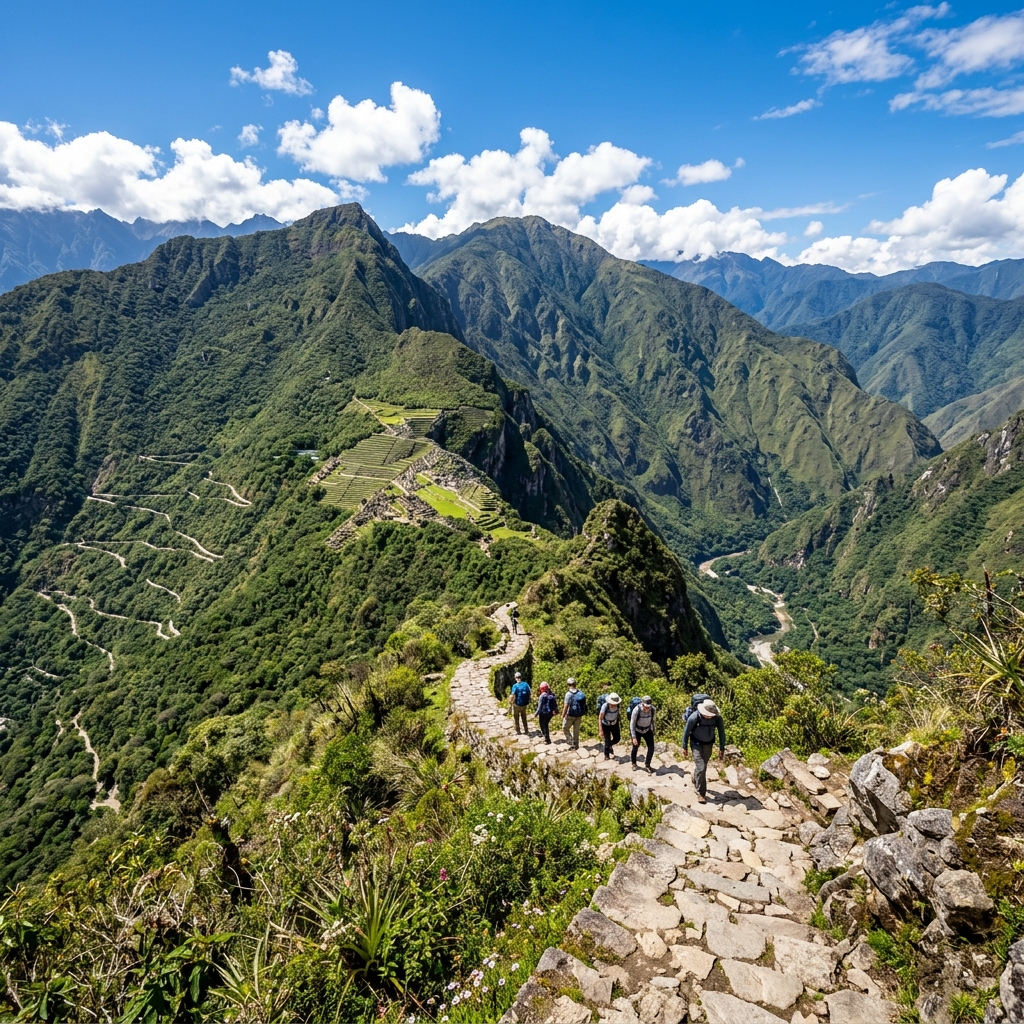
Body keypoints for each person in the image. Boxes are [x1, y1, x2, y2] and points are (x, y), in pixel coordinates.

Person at [682, 698, 726, 804]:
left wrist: (721, 748)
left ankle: (696, 778)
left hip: (708, 744)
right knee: (701, 766)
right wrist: (684, 747)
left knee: (703, 767)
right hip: (695, 743)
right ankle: (700, 793)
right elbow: (686, 731)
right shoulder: (694, 717)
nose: (709, 716)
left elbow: (721, 733)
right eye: (708, 714)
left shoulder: (717, 719)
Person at [630, 695, 656, 774]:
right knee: (635, 747)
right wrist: (633, 737)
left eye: (648, 707)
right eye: (645, 707)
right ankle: (634, 763)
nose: (647, 709)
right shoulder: (636, 710)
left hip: (647, 730)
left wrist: (653, 730)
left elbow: (652, 720)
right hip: (637, 730)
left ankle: (647, 765)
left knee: (651, 747)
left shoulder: (652, 709)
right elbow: (632, 724)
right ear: (642, 704)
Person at [562, 677, 585, 749]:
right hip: (579, 715)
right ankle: (576, 745)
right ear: (575, 684)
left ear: (568, 684)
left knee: (565, 728)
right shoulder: (580, 692)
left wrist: (563, 715)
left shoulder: (568, 694)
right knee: (576, 730)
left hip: (570, 715)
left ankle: (571, 741)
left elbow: (566, 706)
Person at [599, 692, 622, 760]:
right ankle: (606, 755)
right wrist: (600, 730)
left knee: (617, 738)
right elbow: (600, 718)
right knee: (607, 740)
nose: (614, 705)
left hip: (615, 723)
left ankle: (609, 745)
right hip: (605, 724)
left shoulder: (618, 705)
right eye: (613, 703)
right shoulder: (605, 706)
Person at [509, 670, 531, 735]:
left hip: (517, 704)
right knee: (524, 717)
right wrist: (529, 700)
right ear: (521, 677)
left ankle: (518, 730)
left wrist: (510, 704)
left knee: (516, 717)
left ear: (515, 678)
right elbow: (529, 693)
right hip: (524, 704)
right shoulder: (526, 684)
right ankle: (526, 730)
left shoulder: (515, 686)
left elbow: (512, 695)